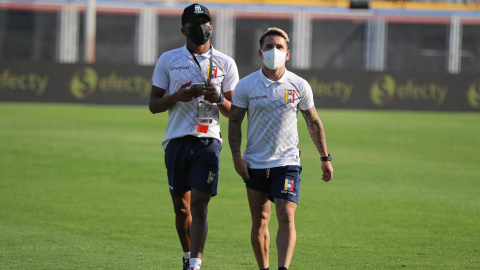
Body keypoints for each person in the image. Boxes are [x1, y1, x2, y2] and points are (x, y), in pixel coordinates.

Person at [228, 27, 334, 270]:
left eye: (279, 47)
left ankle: (283, 268)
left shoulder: (299, 84)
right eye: (268, 47)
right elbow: (234, 121)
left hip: (287, 164)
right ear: (260, 52)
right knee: (260, 220)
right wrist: (236, 157)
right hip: (254, 164)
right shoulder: (246, 85)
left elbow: (313, 121)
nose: (273, 51)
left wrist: (325, 157)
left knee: (286, 215)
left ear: (288, 54)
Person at [149, 3, 239, 270]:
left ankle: (195, 265)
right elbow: (154, 104)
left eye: (205, 22)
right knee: (182, 209)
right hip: (177, 140)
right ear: (183, 30)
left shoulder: (226, 62)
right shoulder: (168, 59)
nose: (201, 27)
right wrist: (177, 96)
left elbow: (235, 112)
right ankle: (187, 255)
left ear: (211, 26)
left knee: (200, 206)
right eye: (195, 23)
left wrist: (219, 98)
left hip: (209, 141)